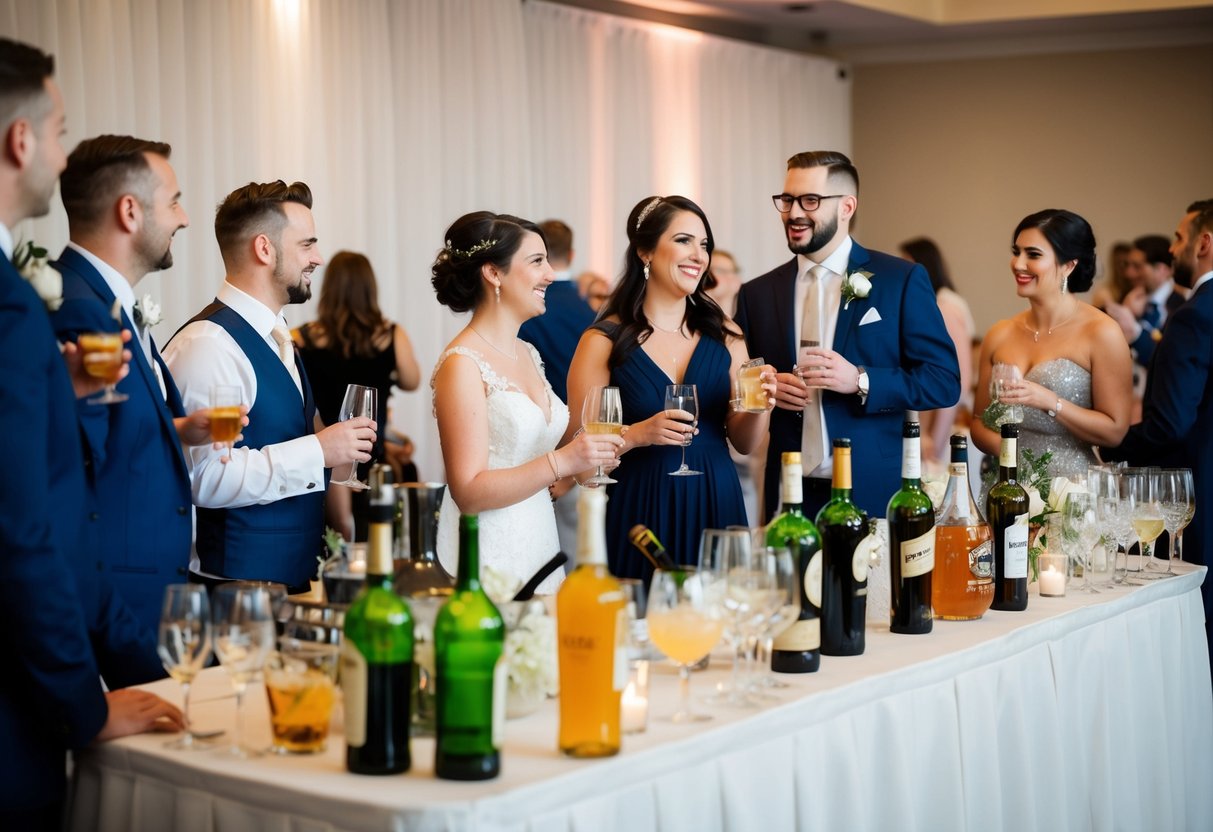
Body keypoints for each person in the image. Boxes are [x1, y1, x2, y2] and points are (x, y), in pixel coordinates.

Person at [0, 38, 183, 829]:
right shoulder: (14, 305)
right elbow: (25, 528)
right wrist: (86, 706)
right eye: (61, 129)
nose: (64, 154)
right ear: (21, 140)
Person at [164, 181, 376, 592]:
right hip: (233, 589)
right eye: (306, 245)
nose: (318, 258)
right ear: (264, 249)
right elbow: (203, 478)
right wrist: (319, 450)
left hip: (287, 578)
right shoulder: (209, 345)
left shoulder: (276, 334)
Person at [49, 135, 219, 639]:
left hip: (143, 590)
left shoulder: (102, 301)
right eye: (173, 201)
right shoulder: (83, 312)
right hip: (117, 601)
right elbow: (73, 475)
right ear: (129, 211)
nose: (184, 218)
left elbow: (112, 433)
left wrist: (177, 429)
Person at [736, 151, 961, 521]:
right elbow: (742, 380)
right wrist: (767, 386)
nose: (793, 213)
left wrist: (860, 380)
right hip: (790, 494)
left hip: (872, 490)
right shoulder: (757, 293)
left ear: (846, 207)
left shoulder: (899, 280)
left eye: (810, 200)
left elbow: (943, 382)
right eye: (787, 200)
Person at [566, 195, 775, 578]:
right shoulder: (603, 340)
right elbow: (577, 461)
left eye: (704, 244)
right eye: (683, 240)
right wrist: (636, 434)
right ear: (645, 251)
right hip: (639, 505)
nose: (698, 254)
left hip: (717, 498)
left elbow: (745, 442)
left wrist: (761, 407)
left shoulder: (727, 335)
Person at [430, 211, 620, 593]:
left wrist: (586, 460)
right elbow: (467, 491)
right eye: (537, 262)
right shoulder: (462, 364)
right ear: (493, 273)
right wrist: (563, 461)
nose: (550, 274)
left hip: (539, 542)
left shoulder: (529, 353)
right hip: (488, 551)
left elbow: (545, 461)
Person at [1101, 199, 1213, 675]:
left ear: (1205, 244)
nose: (1173, 247)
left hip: (1198, 495)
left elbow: (1169, 423)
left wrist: (1110, 444)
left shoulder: (1194, 315)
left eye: (1181, 238)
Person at [970, 209, 1132, 486]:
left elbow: (1114, 431)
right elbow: (977, 422)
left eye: (1032, 255)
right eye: (1016, 251)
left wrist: (1049, 402)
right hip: (1007, 486)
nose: (1018, 264)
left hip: (1072, 491)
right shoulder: (999, 333)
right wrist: (1014, 455)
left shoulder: (1102, 333)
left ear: (1068, 265)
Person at [293, 250, 421, 541]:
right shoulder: (390, 336)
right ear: (370, 289)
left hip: (321, 462)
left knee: (331, 547)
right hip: (373, 459)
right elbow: (412, 381)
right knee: (375, 544)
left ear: (328, 290)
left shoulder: (300, 338)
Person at [517, 220, 597, 558]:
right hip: (587, 433)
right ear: (573, 253)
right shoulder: (589, 309)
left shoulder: (530, 311)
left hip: (538, 438)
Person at [900, 237, 975, 467]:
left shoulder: (945, 306)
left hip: (935, 415)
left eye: (905, 263)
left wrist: (934, 437)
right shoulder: (933, 302)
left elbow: (956, 380)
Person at [704, 247, 763, 524]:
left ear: (737, 280)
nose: (714, 277)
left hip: (745, 448)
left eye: (723, 271)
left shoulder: (745, 327)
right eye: (711, 270)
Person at [1104, 234, 1185, 369]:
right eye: (1127, 265)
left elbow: (1170, 361)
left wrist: (1134, 329)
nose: (1129, 273)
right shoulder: (1125, 297)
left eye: (1137, 266)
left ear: (1162, 269)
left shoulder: (1181, 307)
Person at [1090, 241, 1133, 310]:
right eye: (1119, 263)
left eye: (1126, 263)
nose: (1127, 269)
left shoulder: (1139, 291)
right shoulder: (1104, 293)